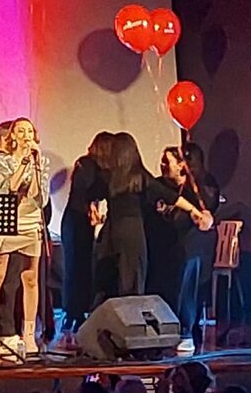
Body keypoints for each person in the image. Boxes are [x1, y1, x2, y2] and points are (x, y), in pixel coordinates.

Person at [95, 133, 212, 301]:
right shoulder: (140, 176)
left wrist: (92, 209)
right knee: (133, 276)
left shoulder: (107, 176)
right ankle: (132, 311)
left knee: (112, 276)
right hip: (132, 231)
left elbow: (91, 195)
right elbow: (171, 197)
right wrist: (195, 211)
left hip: (111, 230)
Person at [0, 118, 51, 359]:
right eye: (20, 131)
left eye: (29, 131)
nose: (25, 135)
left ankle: (29, 334)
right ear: (12, 135)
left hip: (30, 221)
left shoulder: (41, 161)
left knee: (30, 278)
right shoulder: (1, 160)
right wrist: (22, 163)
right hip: (6, 220)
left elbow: (39, 197)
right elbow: (6, 189)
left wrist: (34, 165)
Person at [149, 145, 219, 354]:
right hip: (166, 246)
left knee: (188, 273)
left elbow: (203, 216)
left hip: (192, 247)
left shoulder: (202, 187)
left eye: (167, 162)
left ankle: (186, 331)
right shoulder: (159, 186)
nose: (162, 165)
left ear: (182, 165)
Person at [57, 132, 112, 348]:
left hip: (81, 221)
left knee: (82, 268)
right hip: (76, 221)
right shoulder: (86, 164)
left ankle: (77, 313)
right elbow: (82, 192)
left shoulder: (96, 167)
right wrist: (92, 208)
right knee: (76, 268)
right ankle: (73, 313)